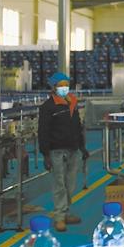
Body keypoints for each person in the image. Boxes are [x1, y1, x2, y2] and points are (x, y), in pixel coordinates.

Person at [38, 72, 89, 232]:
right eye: (60, 85)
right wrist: (45, 154)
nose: (64, 88)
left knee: (70, 184)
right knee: (59, 184)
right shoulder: (47, 107)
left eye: (66, 84)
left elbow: (78, 126)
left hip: (73, 149)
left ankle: (65, 212)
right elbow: (43, 131)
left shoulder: (72, 102)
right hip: (56, 151)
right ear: (53, 87)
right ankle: (59, 217)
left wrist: (82, 147)